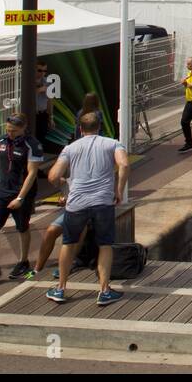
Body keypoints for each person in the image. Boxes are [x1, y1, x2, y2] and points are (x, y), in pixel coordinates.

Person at [45, 111, 129, 306]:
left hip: (77, 203)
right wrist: (119, 190)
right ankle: (104, 290)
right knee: (105, 244)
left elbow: (52, 176)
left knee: (68, 243)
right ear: (99, 126)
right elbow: (124, 165)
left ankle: (61, 288)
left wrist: (65, 189)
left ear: (80, 129)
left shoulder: (70, 148)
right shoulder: (112, 144)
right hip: (102, 201)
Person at [0, 114, 44, 288]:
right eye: (7, 130)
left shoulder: (32, 145)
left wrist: (20, 197)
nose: (10, 133)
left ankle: (23, 261)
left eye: (13, 131)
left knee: (22, 227)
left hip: (21, 191)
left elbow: (32, 173)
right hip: (2, 190)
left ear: (23, 128)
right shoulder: (2, 140)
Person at [34, 61, 51, 147]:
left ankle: (39, 158)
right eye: (40, 70)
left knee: (41, 139)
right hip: (31, 115)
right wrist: (39, 90)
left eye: (45, 71)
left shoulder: (47, 81)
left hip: (42, 114)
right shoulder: (26, 80)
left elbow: (50, 100)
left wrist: (51, 117)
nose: (42, 73)